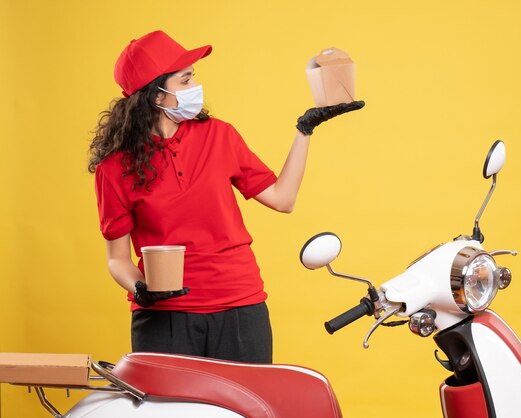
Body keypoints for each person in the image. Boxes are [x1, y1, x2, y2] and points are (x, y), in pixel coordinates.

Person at [88, 30, 364, 364]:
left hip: (240, 305)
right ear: (155, 96)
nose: (195, 88)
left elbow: (282, 198)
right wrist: (140, 288)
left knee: (246, 410)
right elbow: (117, 259)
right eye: (185, 80)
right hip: (166, 317)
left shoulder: (219, 136)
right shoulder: (114, 168)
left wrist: (304, 130)